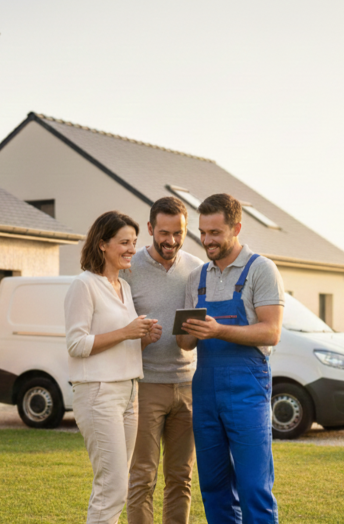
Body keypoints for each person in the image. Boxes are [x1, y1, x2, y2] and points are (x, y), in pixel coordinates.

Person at [176, 194, 284, 524]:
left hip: (247, 388)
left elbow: (270, 332)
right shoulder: (197, 278)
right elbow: (185, 343)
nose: (207, 240)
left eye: (215, 233)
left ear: (236, 228)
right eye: (202, 232)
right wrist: (187, 330)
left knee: (254, 487)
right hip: (206, 390)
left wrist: (218, 330)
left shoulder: (261, 270)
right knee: (213, 486)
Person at [65, 210, 162, 524]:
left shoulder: (125, 288)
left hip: (130, 393)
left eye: (134, 242)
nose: (132, 249)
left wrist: (144, 339)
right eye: (124, 242)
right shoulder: (84, 285)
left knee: (119, 484)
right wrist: (127, 332)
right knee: (113, 486)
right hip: (98, 394)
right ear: (102, 244)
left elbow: (123, 344)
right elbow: (76, 344)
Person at [120, 197, 203, 524]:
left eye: (178, 233)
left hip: (187, 385)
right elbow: (115, 328)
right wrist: (139, 337)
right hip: (145, 386)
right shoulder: (129, 268)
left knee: (181, 477)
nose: (171, 241)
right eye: (164, 232)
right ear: (151, 228)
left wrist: (193, 335)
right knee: (143, 475)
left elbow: (193, 335)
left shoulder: (197, 269)